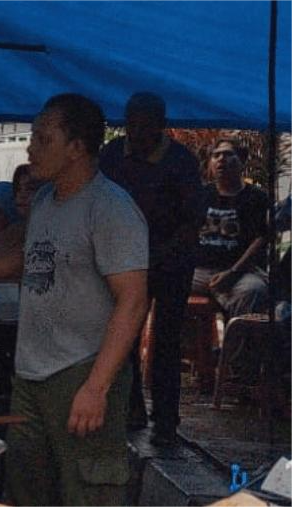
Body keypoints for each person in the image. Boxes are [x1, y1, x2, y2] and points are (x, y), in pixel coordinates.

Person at [0, 94, 149, 507]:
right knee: (27, 490)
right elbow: (32, 257)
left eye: (43, 138)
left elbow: (134, 302)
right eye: (33, 136)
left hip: (81, 372)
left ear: (76, 148)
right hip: (31, 375)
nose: (31, 147)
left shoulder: (110, 209)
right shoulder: (47, 201)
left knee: (87, 493)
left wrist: (96, 388)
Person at [98, 92, 203, 444]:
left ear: (161, 125)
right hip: (124, 262)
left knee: (166, 341)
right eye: (132, 123)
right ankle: (130, 409)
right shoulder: (111, 155)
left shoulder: (181, 161)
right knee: (122, 337)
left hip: (171, 262)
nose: (137, 131)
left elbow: (192, 222)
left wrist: (159, 256)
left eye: (145, 124)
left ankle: (166, 420)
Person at [191, 139, 269, 317]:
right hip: (199, 271)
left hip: (241, 271)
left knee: (253, 291)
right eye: (216, 155)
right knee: (163, 282)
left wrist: (233, 272)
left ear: (241, 161)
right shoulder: (200, 195)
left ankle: (234, 343)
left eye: (228, 154)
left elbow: (262, 238)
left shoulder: (257, 198)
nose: (221, 159)